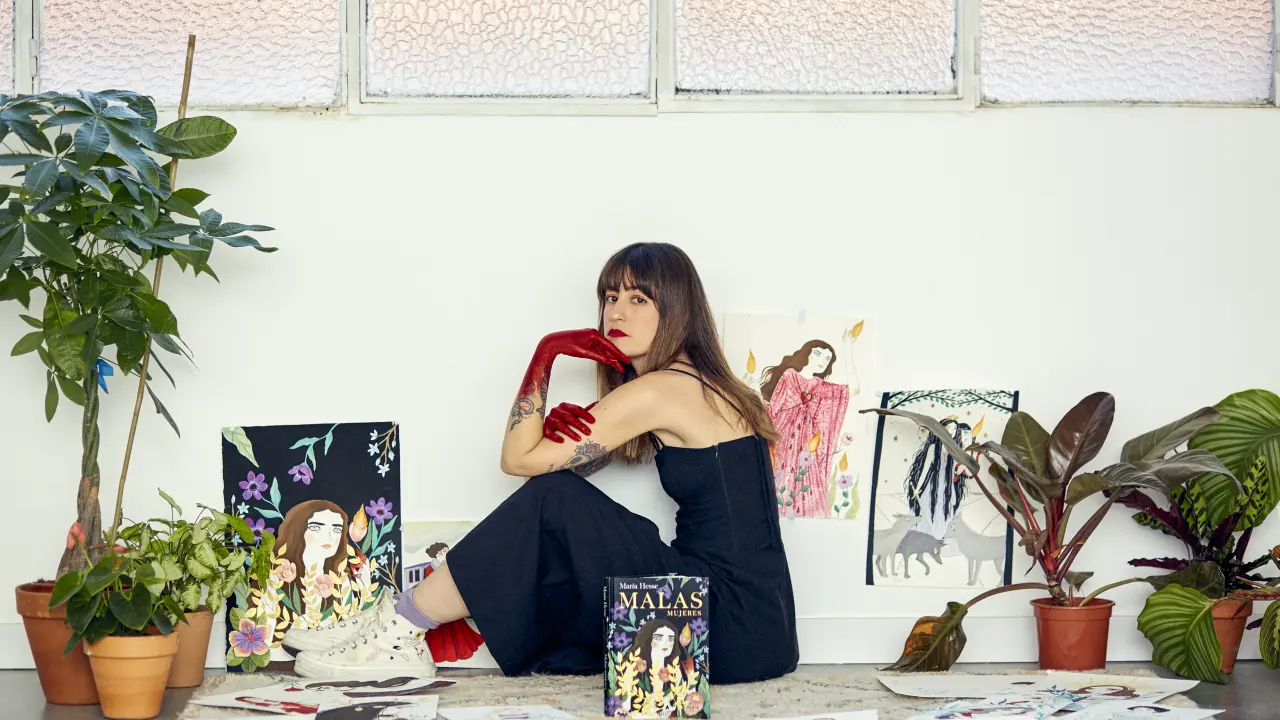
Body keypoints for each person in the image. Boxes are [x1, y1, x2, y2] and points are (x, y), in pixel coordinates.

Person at [286, 242, 800, 683]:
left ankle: (400, 628)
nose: (616, 314)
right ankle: (397, 620)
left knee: (552, 498)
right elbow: (564, 473)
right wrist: (560, 437)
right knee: (557, 502)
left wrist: (546, 353)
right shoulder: (702, 385)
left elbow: (517, 459)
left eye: (638, 298)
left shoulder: (661, 390)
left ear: (677, 310)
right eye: (610, 297)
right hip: (760, 626)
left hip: (721, 621)